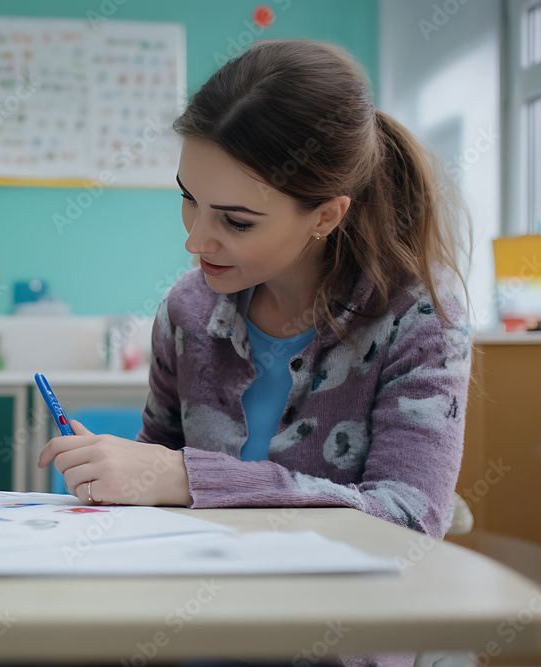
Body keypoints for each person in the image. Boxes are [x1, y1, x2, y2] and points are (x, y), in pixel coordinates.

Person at [39, 39, 472, 543]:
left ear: (326, 215)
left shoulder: (418, 316)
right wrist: (119, 478)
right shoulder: (188, 309)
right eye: (188, 198)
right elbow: (154, 490)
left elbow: (410, 518)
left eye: (237, 222)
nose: (194, 240)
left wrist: (185, 477)